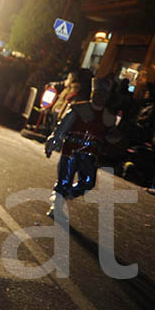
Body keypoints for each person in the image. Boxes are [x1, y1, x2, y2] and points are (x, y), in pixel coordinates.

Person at [45, 77, 121, 218]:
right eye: (98, 93)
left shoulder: (109, 117)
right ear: (93, 93)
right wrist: (54, 140)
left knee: (88, 182)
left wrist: (113, 138)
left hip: (90, 154)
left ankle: (67, 195)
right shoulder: (78, 108)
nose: (100, 97)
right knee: (64, 180)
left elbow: (110, 137)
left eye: (104, 94)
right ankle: (57, 206)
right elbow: (63, 126)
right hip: (71, 150)